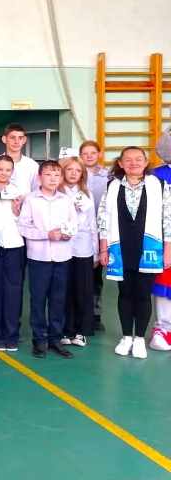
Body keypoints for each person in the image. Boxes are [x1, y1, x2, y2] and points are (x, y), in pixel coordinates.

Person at [98, 146, 171, 359]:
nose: (133, 163)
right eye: (128, 160)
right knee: (125, 293)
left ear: (146, 162)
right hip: (120, 247)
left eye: (138, 159)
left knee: (142, 294)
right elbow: (103, 219)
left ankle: (139, 338)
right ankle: (126, 337)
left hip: (149, 247)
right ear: (121, 163)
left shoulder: (159, 185)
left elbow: (168, 219)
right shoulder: (112, 186)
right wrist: (103, 248)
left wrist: (168, 250)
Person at [18, 160, 78, 359]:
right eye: (48, 175)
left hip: (62, 256)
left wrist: (69, 233)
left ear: (61, 178)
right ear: (39, 177)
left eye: (56, 175)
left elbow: (74, 224)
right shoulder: (31, 200)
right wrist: (46, 234)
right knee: (38, 299)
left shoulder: (66, 200)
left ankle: (55, 339)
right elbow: (23, 227)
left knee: (58, 299)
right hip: (38, 257)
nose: (53, 179)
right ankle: (39, 339)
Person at [59, 157, 98, 348]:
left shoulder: (87, 193)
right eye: (70, 169)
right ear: (63, 171)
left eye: (78, 170)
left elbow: (92, 223)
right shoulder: (57, 192)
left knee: (82, 290)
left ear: (82, 174)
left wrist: (96, 251)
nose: (73, 173)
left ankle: (81, 331)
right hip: (62, 247)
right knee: (64, 290)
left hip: (83, 248)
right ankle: (65, 329)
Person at [0, 155, 26, 352]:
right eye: (0, 169)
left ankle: (12, 335)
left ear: (12, 172)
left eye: (8, 170)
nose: (3, 173)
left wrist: (17, 210)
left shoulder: (18, 192)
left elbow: (26, 221)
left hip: (14, 245)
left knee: (13, 291)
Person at [79, 139, 109, 331]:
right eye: (85, 153)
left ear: (99, 154)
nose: (89, 156)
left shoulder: (108, 176)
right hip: (80, 232)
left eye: (92, 153)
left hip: (100, 231)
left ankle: (95, 314)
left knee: (96, 277)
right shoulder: (76, 174)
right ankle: (78, 314)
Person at [0, 123, 39, 196]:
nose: (16, 142)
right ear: (4, 139)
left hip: (24, 203)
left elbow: (37, 190)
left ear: (24, 140)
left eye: (20, 138)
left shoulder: (32, 165)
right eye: (12, 137)